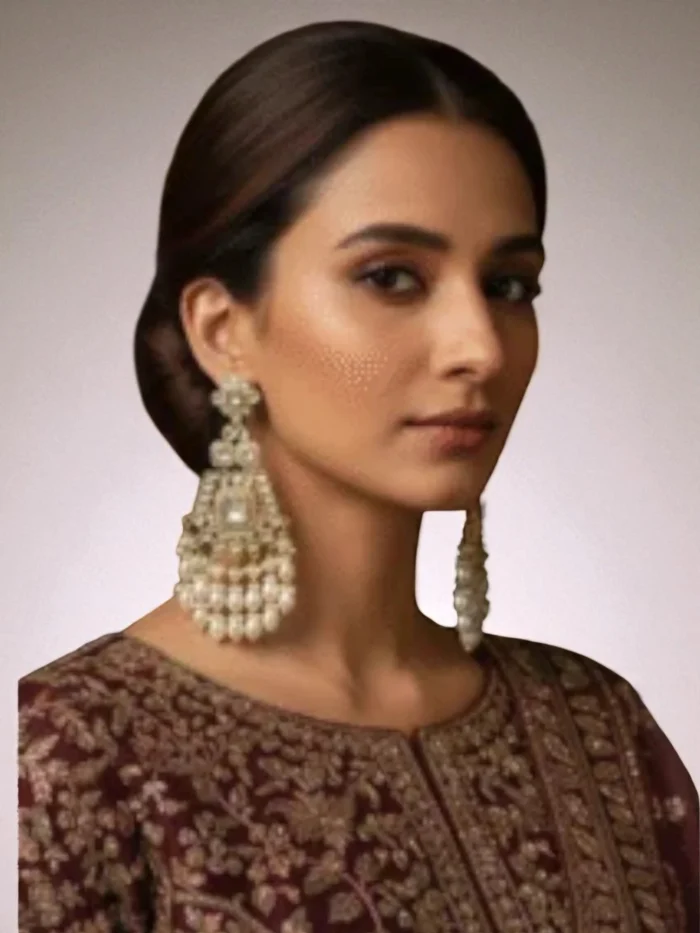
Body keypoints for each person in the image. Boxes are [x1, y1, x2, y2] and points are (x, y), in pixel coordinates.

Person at [17, 18, 698, 933]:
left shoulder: (599, 727)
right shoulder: (69, 756)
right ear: (223, 330)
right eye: (392, 276)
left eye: (508, 285)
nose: (480, 346)